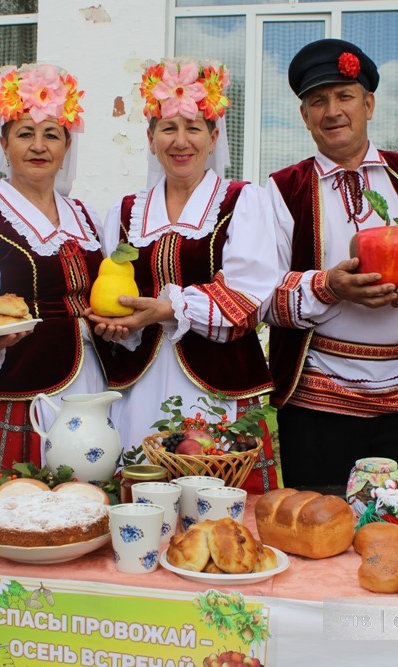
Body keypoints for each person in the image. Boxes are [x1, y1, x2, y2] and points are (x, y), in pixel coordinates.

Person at [265, 39, 398, 488]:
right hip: (318, 397)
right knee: (320, 517)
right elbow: (262, 293)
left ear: (369, 104)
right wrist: (329, 286)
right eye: (318, 102)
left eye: (344, 96)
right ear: (304, 116)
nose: (332, 111)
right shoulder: (282, 188)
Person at [88, 58, 280, 493]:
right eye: (167, 128)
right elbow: (112, 293)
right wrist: (119, 327)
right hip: (140, 384)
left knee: (214, 496)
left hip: (218, 384)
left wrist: (168, 308)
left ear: (213, 138)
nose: (180, 141)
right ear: (150, 138)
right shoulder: (124, 212)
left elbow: (248, 296)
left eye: (193, 128)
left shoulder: (242, 201)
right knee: (144, 492)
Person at [0, 63, 108, 471]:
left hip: (90, 383)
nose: (38, 146)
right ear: (4, 143)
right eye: (25, 134)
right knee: (21, 495)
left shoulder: (86, 217)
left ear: (66, 146)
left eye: (51, 135)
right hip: (20, 391)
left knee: (88, 492)